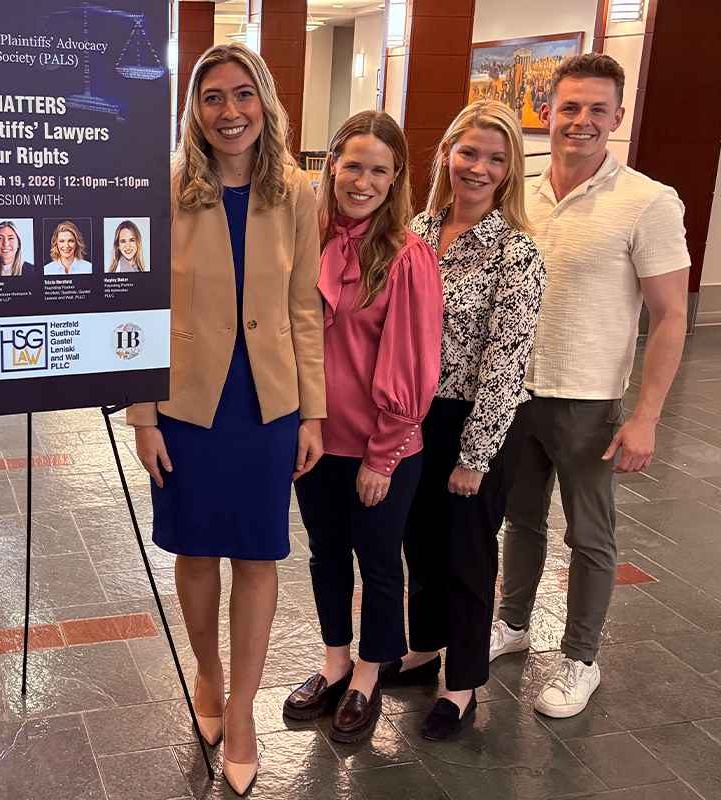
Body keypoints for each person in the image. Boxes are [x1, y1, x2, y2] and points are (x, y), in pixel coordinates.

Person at [131, 43, 325, 795]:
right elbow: (137, 305)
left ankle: (241, 707)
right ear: (195, 110)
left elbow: (305, 309)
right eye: (213, 97)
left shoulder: (297, 194)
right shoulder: (168, 189)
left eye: (243, 95)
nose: (230, 111)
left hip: (267, 407)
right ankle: (207, 675)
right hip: (186, 405)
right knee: (195, 549)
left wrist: (314, 413)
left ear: (265, 103)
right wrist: (143, 415)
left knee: (256, 554)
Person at [489, 52, 690, 719]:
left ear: (618, 117)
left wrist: (647, 416)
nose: (581, 122)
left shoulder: (648, 202)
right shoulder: (519, 189)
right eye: (570, 107)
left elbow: (670, 318)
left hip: (588, 402)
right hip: (516, 396)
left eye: (597, 109)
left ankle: (579, 658)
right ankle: (513, 625)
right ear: (547, 112)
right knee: (519, 522)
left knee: (590, 536)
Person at [283, 110, 443, 744]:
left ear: (396, 177)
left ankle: (369, 673)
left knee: (378, 562)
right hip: (316, 437)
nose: (363, 180)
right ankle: (334, 660)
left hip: (382, 446)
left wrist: (383, 454)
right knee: (326, 555)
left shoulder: (408, 256)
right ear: (332, 166)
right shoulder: (311, 239)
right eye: (352, 165)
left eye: (379, 170)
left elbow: (414, 363)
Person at [389, 100, 545, 740]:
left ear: (510, 172)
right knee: (418, 542)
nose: (478, 168)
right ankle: (424, 648)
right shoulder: (413, 233)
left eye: (496, 159)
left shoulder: (516, 253)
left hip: (473, 420)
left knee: (468, 556)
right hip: (409, 415)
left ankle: (463, 684)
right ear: (447, 155)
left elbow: (507, 360)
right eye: (469, 153)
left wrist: (474, 456)